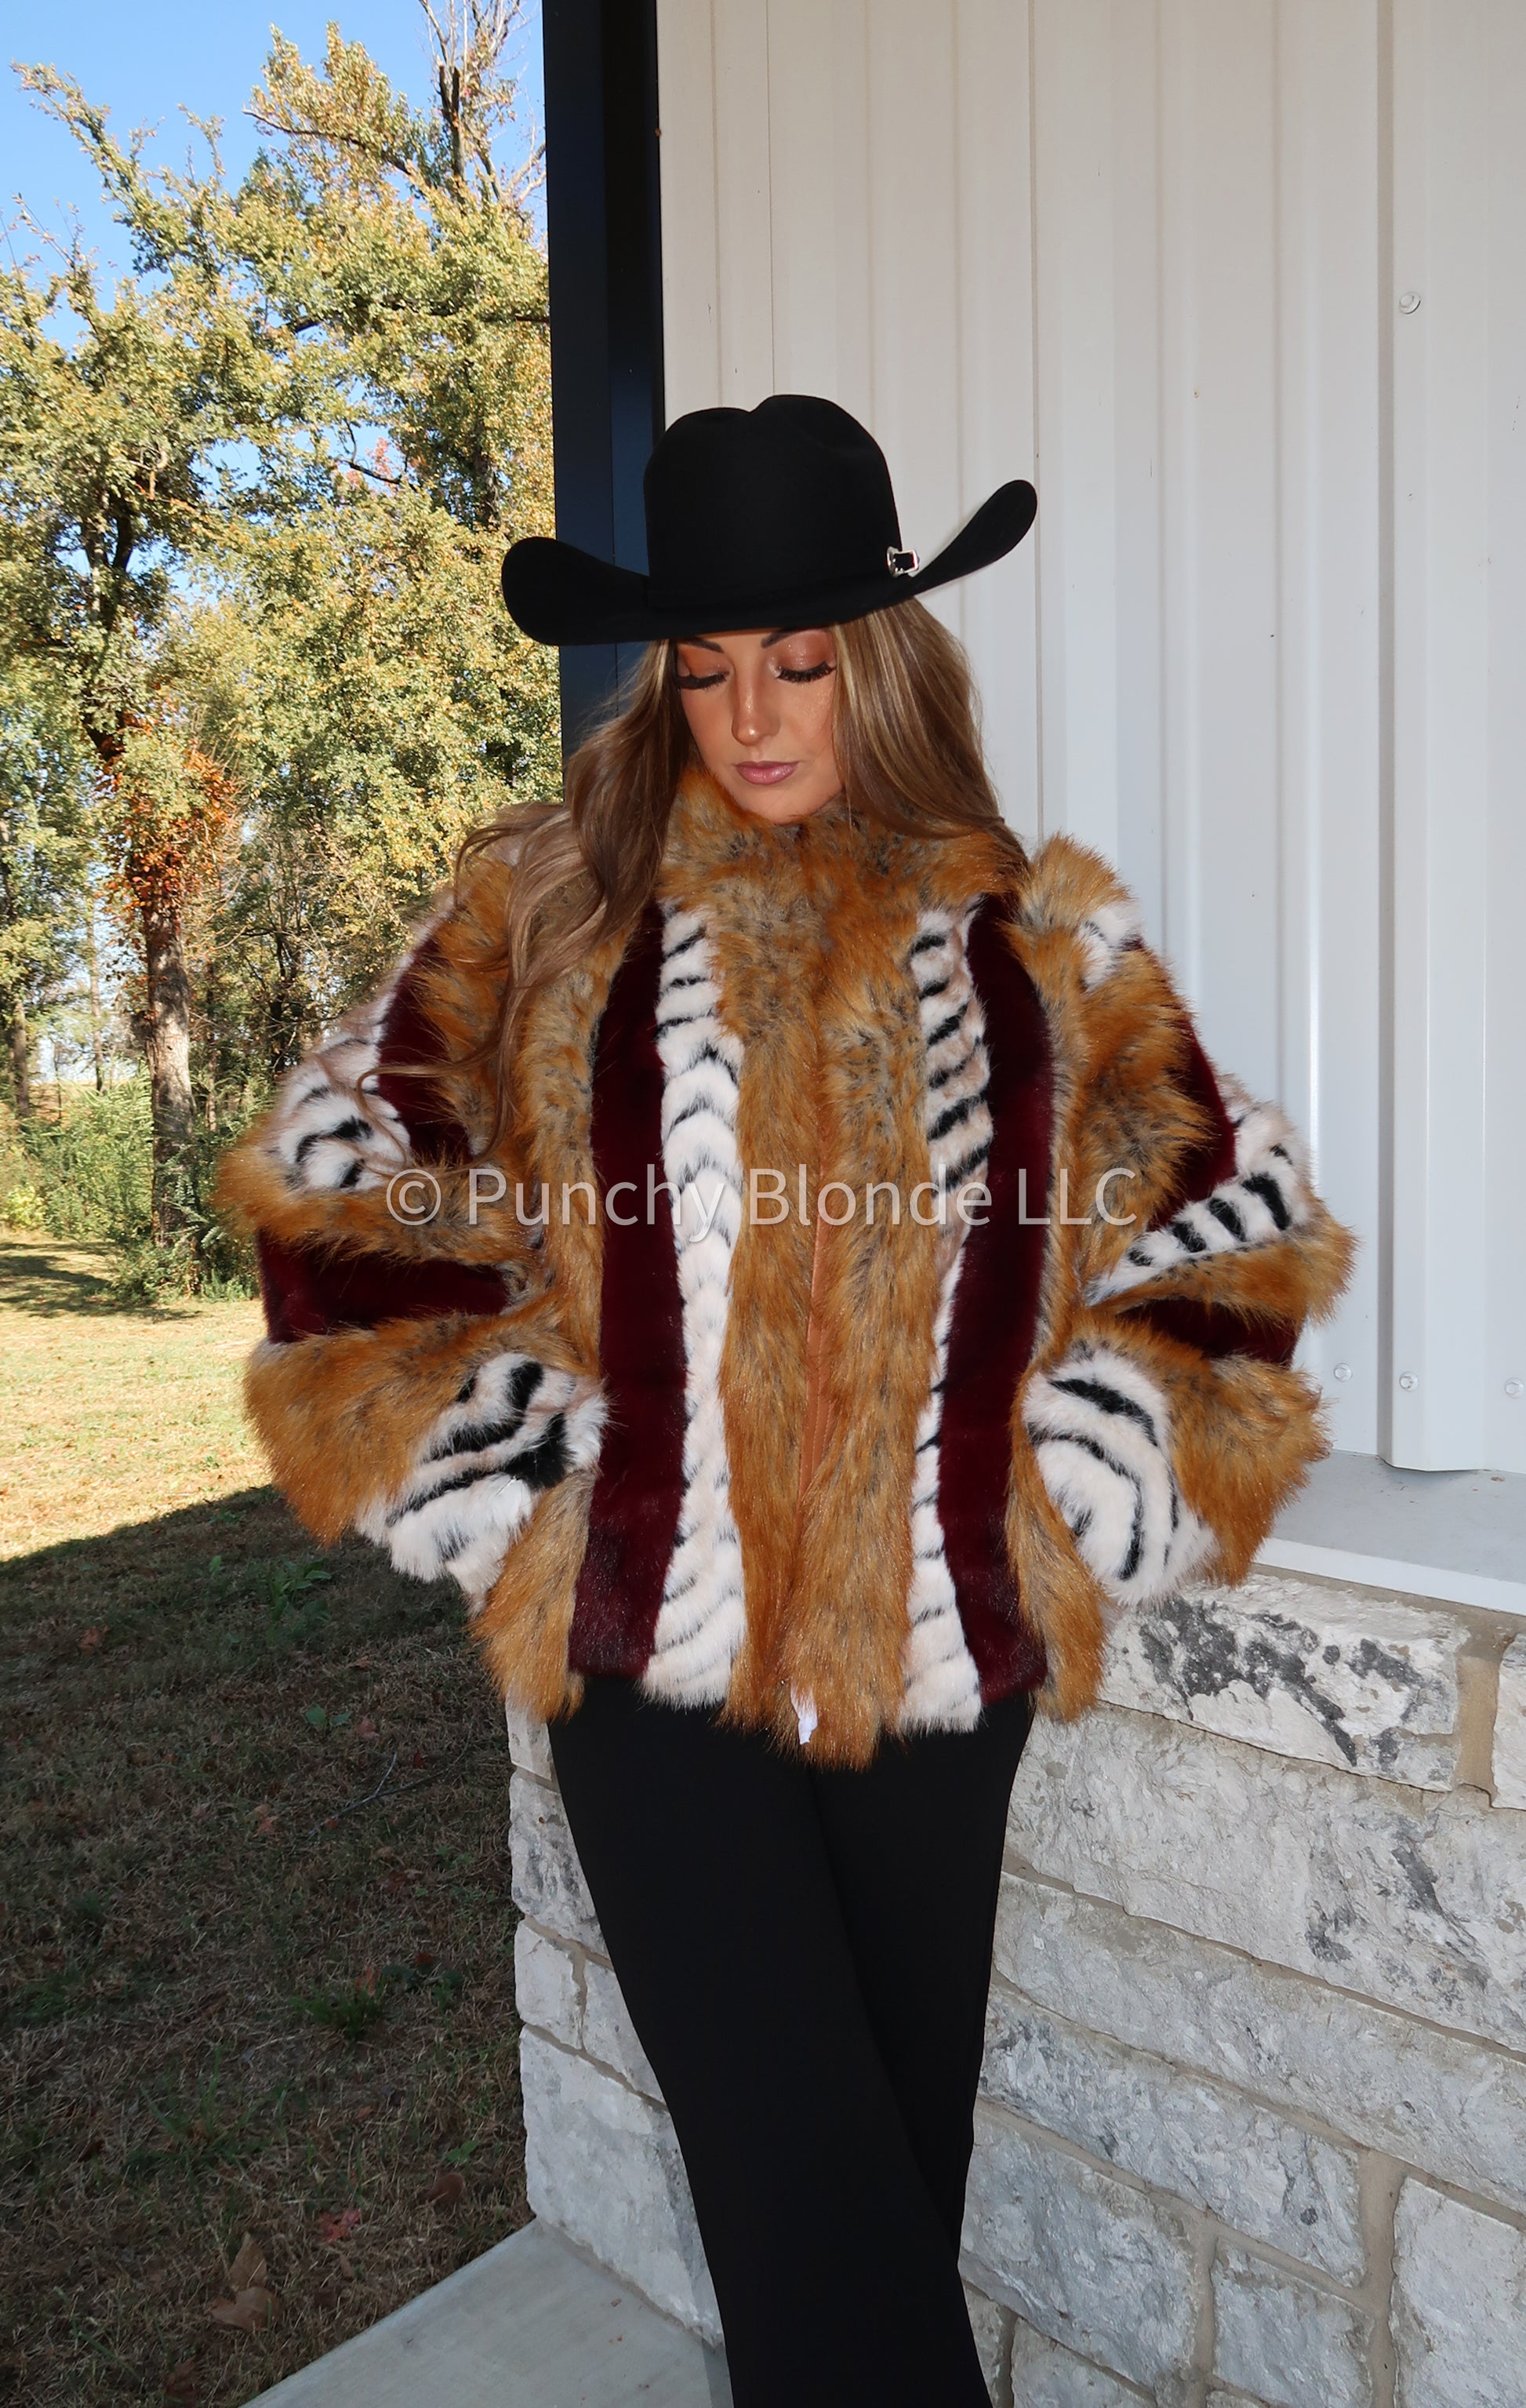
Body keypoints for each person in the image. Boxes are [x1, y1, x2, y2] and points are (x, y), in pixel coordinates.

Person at [220, 396, 1353, 2406]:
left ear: (882, 660)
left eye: (801, 662)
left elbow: (1234, 1235)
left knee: (883, 2200)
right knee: (806, 2216)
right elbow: (340, 1191)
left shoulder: (1030, 942)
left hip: (938, 1684)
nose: (751, 715)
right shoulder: (546, 912)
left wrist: (1065, 1490)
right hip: (654, 1678)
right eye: (707, 664)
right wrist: (531, 1485)